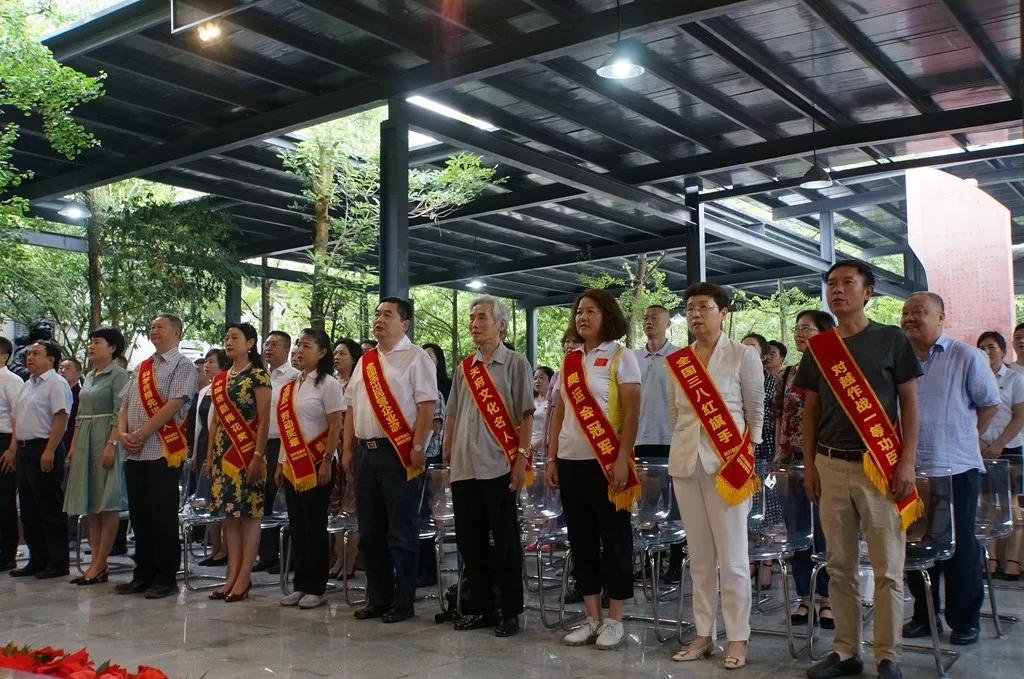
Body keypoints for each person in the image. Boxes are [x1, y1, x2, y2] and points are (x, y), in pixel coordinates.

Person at [798, 261, 921, 679]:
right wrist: (810, 465)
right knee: (839, 565)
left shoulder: (891, 339)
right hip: (829, 466)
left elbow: (910, 404)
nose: (837, 290)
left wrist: (906, 461)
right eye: (831, 284)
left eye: (848, 283)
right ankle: (847, 652)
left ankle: (889, 656)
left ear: (867, 292)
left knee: (887, 568)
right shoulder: (820, 348)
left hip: (880, 468)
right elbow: (810, 411)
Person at [667, 283, 762, 669]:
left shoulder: (743, 355)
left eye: (704, 306)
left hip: (729, 466)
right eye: (690, 307)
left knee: (734, 558)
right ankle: (703, 633)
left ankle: (738, 638)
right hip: (686, 464)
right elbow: (677, 414)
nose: (695, 314)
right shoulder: (680, 361)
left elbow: (754, 413)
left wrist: (747, 457)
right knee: (700, 557)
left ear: (723, 313)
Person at [900, 293, 998, 647]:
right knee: (915, 544)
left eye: (919, 312)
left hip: (955, 467)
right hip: (911, 470)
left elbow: (989, 404)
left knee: (959, 547)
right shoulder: (898, 358)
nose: (910, 318)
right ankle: (924, 616)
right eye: (905, 313)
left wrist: (966, 436)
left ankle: (964, 620)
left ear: (941, 317)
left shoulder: (966, 355)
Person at [546, 288, 640, 650]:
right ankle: (591, 617)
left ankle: (614, 618)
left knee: (614, 540)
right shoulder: (569, 361)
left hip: (607, 463)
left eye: (591, 311)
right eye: (579, 312)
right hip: (569, 461)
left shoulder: (622, 356)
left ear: (608, 316)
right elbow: (559, 413)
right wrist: (552, 457)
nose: (582, 317)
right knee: (581, 540)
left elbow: (632, 414)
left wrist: (620, 459)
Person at [443, 295, 533, 637]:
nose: (474, 324)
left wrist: (521, 458)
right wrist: (448, 448)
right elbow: (452, 412)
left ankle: (510, 611)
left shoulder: (515, 363)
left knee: (506, 540)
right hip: (464, 467)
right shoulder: (466, 367)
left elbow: (526, 413)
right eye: (472, 318)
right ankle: (482, 607)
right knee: (471, 541)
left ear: (501, 324)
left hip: (498, 464)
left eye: (482, 318)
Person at [342, 298, 437, 624]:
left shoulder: (417, 358)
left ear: (405, 323)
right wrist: (348, 448)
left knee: (401, 531)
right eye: (377, 314)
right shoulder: (366, 361)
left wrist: (419, 445)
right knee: (370, 532)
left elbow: (427, 406)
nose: (379, 320)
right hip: (366, 453)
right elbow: (351, 406)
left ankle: (403, 600)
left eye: (387, 315)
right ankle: (377, 597)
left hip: (398, 453)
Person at [114, 313, 198, 599]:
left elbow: (174, 405)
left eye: (160, 326)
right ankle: (143, 574)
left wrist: (142, 433)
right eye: (151, 326)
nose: (154, 330)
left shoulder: (183, 366)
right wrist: (124, 434)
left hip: (162, 451)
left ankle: (165, 577)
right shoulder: (142, 366)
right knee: (140, 517)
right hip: (134, 454)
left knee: (162, 517)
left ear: (176, 332)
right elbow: (125, 404)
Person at [773, 310, 835, 628]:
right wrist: (778, 455)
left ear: (824, 333)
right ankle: (804, 598)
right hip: (791, 462)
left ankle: (828, 600)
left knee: (825, 533)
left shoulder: (835, 369)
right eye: (797, 328)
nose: (799, 334)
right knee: (798, 533)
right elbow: (781, 417)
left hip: (824, 461)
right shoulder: (788, 373)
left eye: (806, 328)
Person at [276, 329, 344, 610]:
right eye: (299, 345)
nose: (300, 351)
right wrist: (281, 464)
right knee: (298, 525)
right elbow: (286, 430)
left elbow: (336, 424)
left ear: (322, 352)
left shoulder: (328, 384)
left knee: (315, 526)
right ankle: (300, 584)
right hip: (292, 465)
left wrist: (327, 458)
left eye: (307, 346)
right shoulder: (292, 385)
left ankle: (316, 586)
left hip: (318, 463)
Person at [205, 323, 271, 602]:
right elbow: (216, 422)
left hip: (247, 454)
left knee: (249, 515)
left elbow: (265, 420)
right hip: (223, 455)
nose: (229, 342)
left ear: (251, 343)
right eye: (226, 338)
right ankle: (231, 575)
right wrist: (210, 457)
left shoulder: (258, 376)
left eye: (235, 338)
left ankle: (244, 576)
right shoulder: (220, 379)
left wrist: (257, 455)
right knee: (229, 516)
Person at [63, 327, 131, 586]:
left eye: (97, 342)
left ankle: (101, 562)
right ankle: (95, 564)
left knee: (107, 503)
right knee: (91, 502)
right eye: (91, 342)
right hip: (86, 440)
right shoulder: (90, 375)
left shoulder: (118, 374)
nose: (92, 346)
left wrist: (112, 443)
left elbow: (119, 411)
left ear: (112, 348)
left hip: (106, 437)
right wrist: (74, 443)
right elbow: (80, 413)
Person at [5, 339, 73, 579]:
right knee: (30, 507)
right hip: (24, 450)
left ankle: (57, 562)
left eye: (36, 353)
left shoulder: (56, 383)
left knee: (49, 506)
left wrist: (50, 450)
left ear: (51, 358)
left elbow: (61, 418)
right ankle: (38, 559)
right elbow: (17, 420)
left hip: (44, 447)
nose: (29, 358)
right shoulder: (28, 384)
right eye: (29, 354)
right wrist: (13, 449)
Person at [634, 304, 683, 582]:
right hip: (641, 440)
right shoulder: (633, 358)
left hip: (673, 440)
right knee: (647, 506)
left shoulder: (679, 356)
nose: (649, 322)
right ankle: (649, 561)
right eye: (646, 318)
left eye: (655, 318)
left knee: (675, 506)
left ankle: (676, 561)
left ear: (668, 325)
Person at [977, 330, 1024, 580]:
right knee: (986, 505)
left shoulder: (1015, 379)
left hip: (1010, 449)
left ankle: (1013, 561)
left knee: (1011, 504)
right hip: (981, 449)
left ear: (1004, 351)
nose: (986, 352)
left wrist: (999, 444)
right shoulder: (976, 377)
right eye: (982, 348)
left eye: (992, 347)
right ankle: (991, 559)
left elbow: (1019, 416)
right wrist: (978, 442)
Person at [255, 331, 300, 574]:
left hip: (283, 445)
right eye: (267, 344)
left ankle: (288, 555)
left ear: (287, 349)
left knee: (282, 501)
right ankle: (267, 554)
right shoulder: (261, 376)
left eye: (274, 345)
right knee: (263, 502)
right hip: (260, 446)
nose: (269, 349)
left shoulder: (294, 377)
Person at [742, 332, 780, 589]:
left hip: (767, 455)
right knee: (745, 511)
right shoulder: (733, 381)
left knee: (768, 510)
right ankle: (749, 562)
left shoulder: (774, 383)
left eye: (751, 348)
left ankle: (766, 563)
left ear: (764, 355)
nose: (745, 352)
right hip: (740, 457)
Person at [190, 349, 230, 567]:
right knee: (209, 500)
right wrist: (197, 453)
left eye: (212, 361)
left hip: (223, 446)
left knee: (223, 499)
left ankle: (225, 549)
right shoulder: (205, 390)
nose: (207, 365)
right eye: (205, 361)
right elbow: (199, 425)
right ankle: (215, 548)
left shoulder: (227, 387)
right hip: (205, 443)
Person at [329, 339, 362, 579]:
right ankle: (338, 558)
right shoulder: (330, 383)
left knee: (353, 511)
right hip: (333, 455)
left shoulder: (358, 384)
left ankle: (350, 562)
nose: (337, 356)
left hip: (353, 453)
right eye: (335, 353)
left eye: (342, 353)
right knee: (336, 510)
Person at [0, 336, 22, 571]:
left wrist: (12, 448)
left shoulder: (11, 380)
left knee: (4, 500)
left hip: (5, 441)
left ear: (4, 356)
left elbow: (18, 414)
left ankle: (8, 553)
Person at [58, 358, 82, 457]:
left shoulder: (80, 395)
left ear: (78, 374)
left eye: (68, 368)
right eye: (60, 368)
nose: (63, 371)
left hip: (71, 439)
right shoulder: (57, 392)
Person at [531, 367, 553, 459]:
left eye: (541, 378)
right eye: (535, 378)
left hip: (545, 450)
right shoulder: (530, 401)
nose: (537, 381)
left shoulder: (553, 403)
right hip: (528, 449)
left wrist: (533, 447)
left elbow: (552, 431)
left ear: (550, 381)